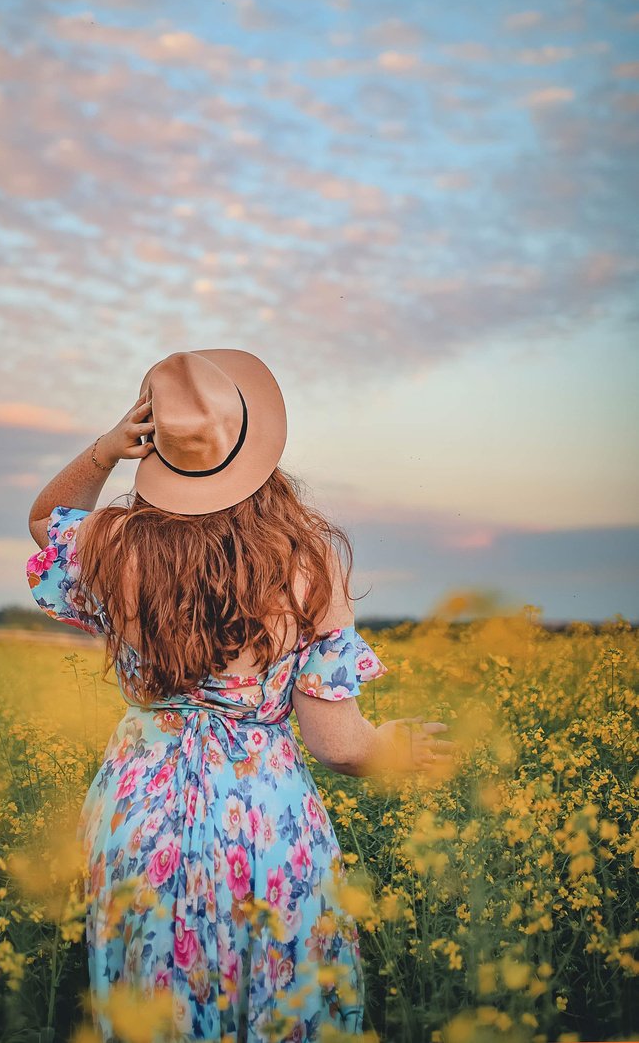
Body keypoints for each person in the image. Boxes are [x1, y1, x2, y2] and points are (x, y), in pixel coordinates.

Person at [25, 349, 453, 1042]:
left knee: (151, 1009)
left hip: (137, 818)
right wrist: (393, 747)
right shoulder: (304, 561)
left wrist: (105, 449)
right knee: (276, 1000)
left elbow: (48, 521)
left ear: (154, 446)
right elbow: (337, 743)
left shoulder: (110, 546)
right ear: (254, 444)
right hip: (262, 822)